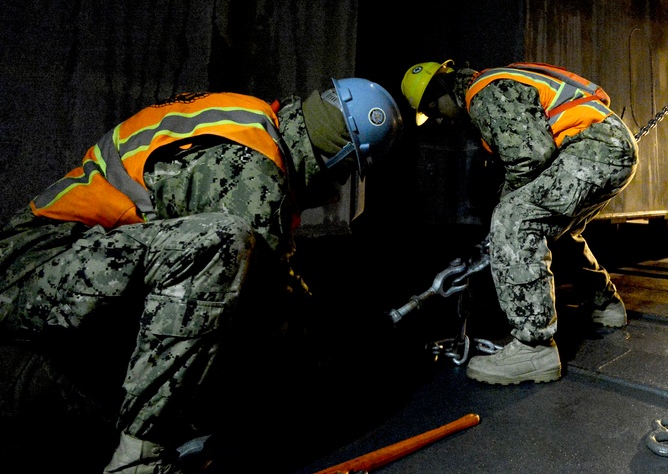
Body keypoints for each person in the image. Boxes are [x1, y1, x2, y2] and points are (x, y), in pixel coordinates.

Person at [0, 78, 404, 473]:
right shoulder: (254, 169)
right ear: (335, 158)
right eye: (347, 171)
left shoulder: (251, 121)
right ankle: (140, 457)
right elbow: (270, 306)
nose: (338, 186)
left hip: (65, 262)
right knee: (222, 246)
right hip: (34, 268)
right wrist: (339, 344)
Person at [400, 60, 638, 386]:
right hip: (607, 146)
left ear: (443, 90)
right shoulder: (497, 85)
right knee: (554, 229)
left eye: (433, 108)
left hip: (593, 148)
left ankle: (534, 347)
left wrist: (502, 221)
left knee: (514, 218)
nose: (439, 118)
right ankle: (605, 303)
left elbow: (531, 156)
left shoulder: (481, 92)